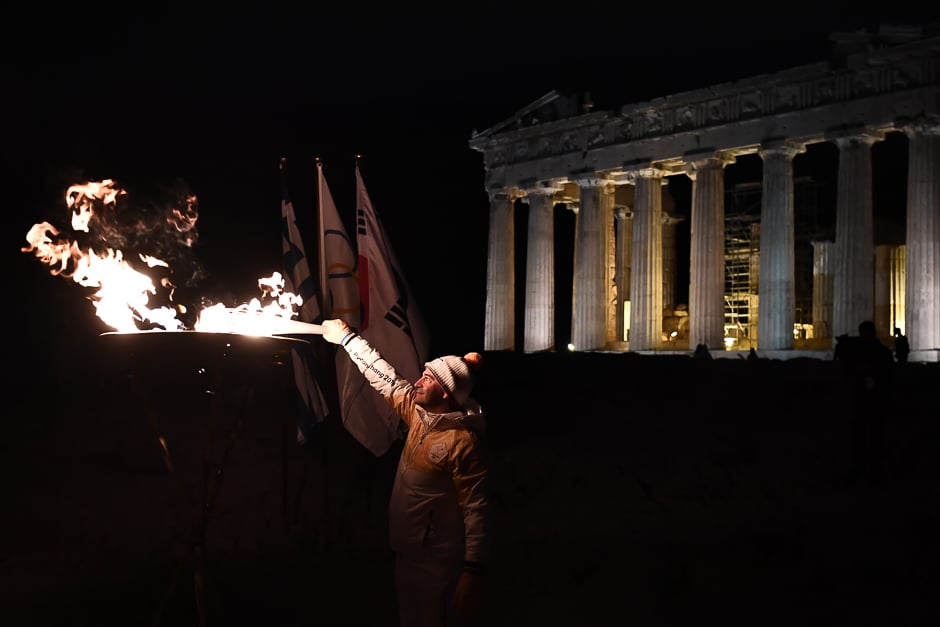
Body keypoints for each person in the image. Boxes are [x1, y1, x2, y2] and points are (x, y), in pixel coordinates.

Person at [321, 318, 491, 627]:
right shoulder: (416, 412)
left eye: (428, 378)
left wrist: (472, 572)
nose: (419, 381)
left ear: (445, 394)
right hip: (405, 554)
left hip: (436, 564)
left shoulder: (462, 442)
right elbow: (383, 376)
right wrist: (348, 339)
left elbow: (476, 508)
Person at [833, 320, 895, 484]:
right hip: (870, 400)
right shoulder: (879, 351)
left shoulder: (867, 352)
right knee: (870, 436)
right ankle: (871, 470)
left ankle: (864, 469)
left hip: (866, 400)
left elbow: (847, 371)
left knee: (865, 436)